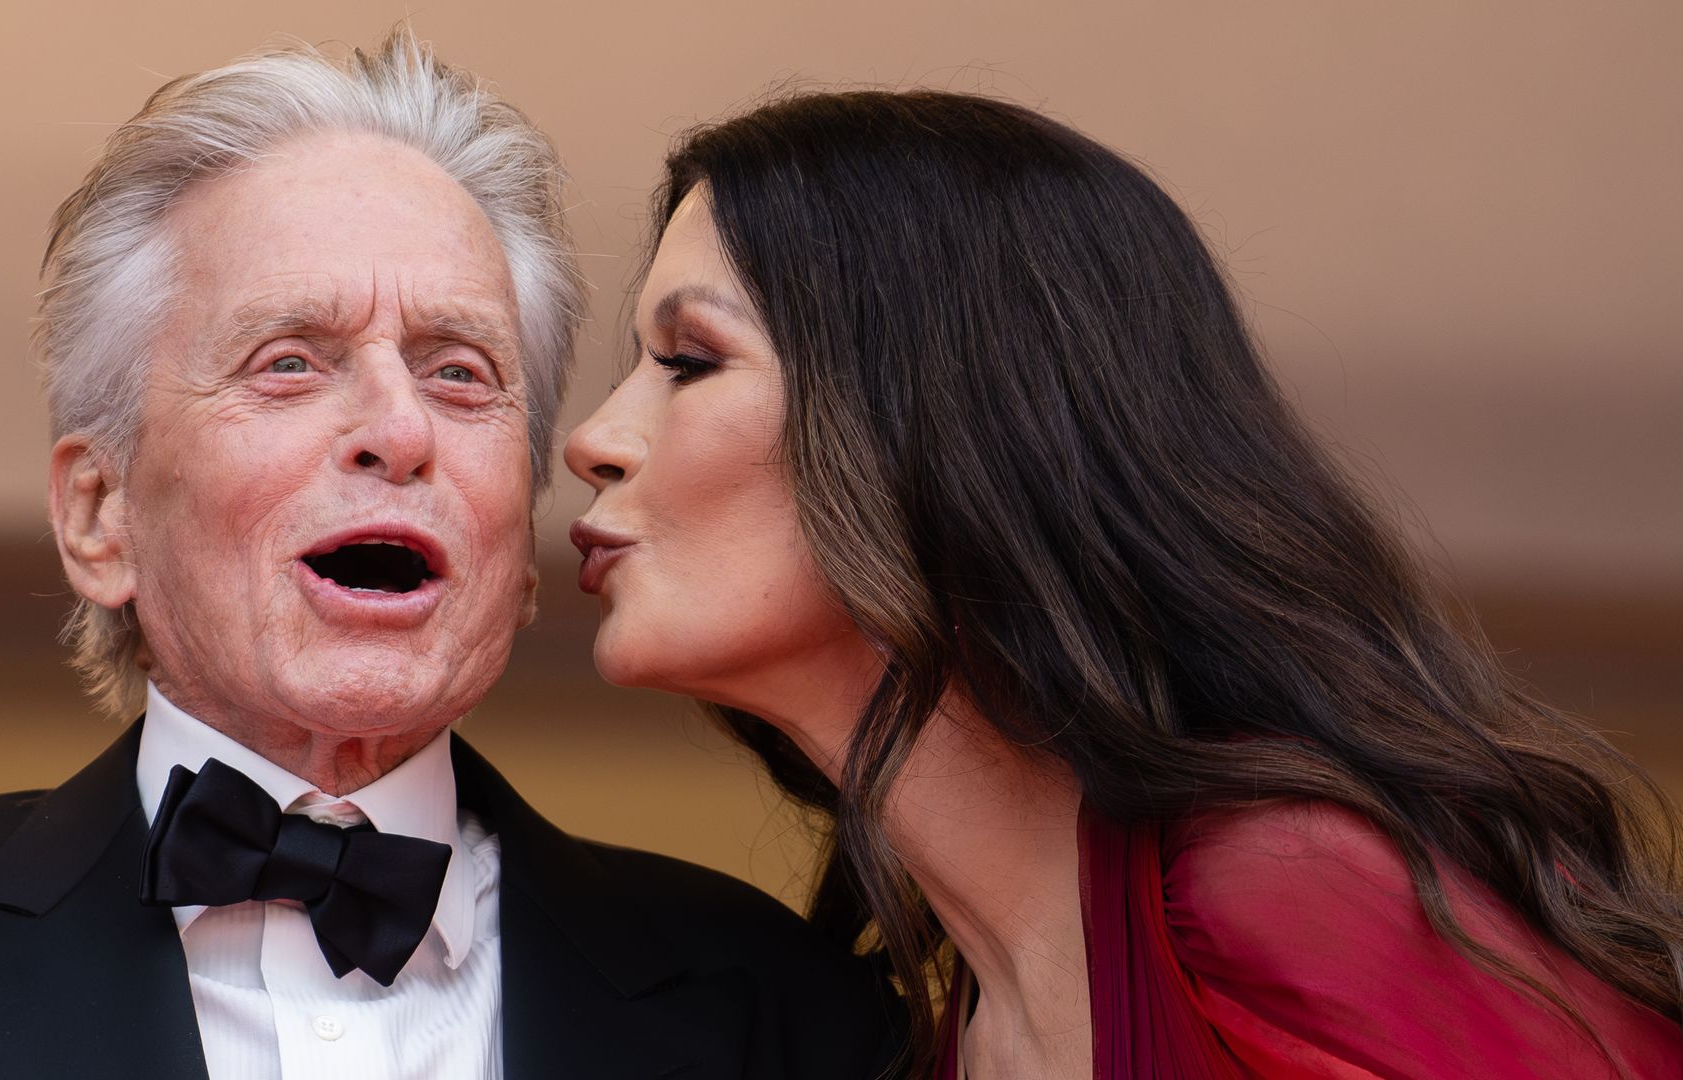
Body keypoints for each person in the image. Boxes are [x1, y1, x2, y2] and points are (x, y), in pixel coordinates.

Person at [0, 35, 898, 1080]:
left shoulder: (789, 1013)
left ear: (522, 558)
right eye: (290, 363)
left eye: (459, 372)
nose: (400, 432)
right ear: (99, 516)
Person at [564, 89, 1683, 1078]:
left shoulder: (1289, 888)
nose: (594, 440)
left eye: (691, 363)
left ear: (938, 422)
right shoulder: (951, 1033)